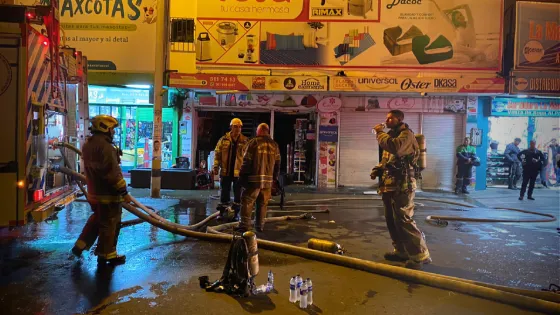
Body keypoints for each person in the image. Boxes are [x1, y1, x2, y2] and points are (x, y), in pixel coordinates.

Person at [372, 110, 430, 269]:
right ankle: (402, 251)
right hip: (389, 184)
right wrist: (378, 169)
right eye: (386, 118)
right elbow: (388, 158)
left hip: (403, 185)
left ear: (399, 119)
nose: (387, 120)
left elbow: (395, 148)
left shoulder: (406, 135)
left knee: (404, 219)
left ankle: (420, 254)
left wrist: (379, 133)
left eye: (390, 118)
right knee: (391, 219)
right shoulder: (391, 136)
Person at [72, 115, 131, 265]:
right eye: (112, 129)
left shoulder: (88, 145)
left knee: (98, 219)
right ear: (105, 128)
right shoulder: (106, 147)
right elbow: (113, 173)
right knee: (110, 223)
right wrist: (124, 192)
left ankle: (81, 244)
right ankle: (107, 254)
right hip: (108, 194)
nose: (113, 132)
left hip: (94, 193)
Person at [238, 123, 280, 232]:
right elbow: (277, 163)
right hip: (268, 182)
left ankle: (244, 226)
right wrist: (274, 179)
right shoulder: (274, 145)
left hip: (254, 180)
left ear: (260, 131)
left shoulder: (253, 143)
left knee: (247, 201)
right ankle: (259, 227)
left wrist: (242, 176)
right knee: (262, 203)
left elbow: (246, 161)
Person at [213, 118, 249, 220]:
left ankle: (236, 214)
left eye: (239, 127)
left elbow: (248, 158)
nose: (238, 129)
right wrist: (215, 166)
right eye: (235, 126)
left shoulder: (245, 141)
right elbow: (217, 154)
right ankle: (222, 213)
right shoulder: (223, 140)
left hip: (239, 173)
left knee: (238, 195)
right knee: (224, 193)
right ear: (231, 127)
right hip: (226, 171)